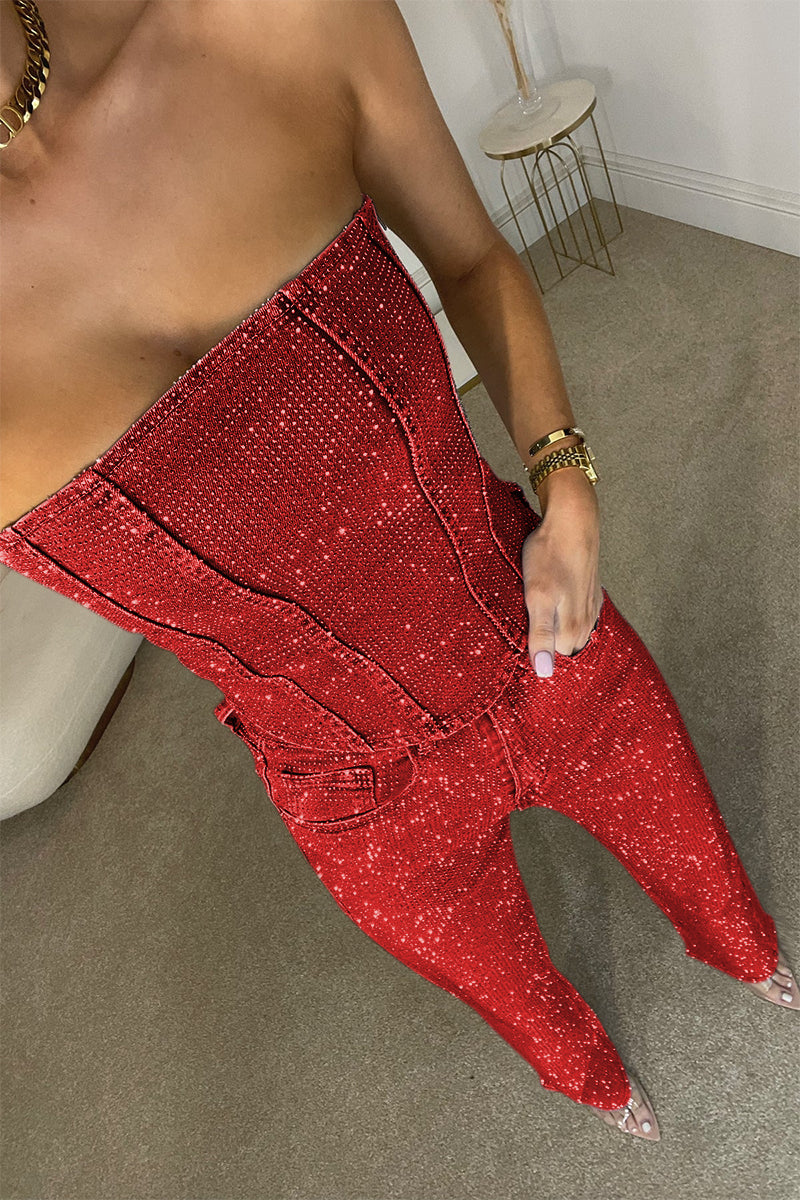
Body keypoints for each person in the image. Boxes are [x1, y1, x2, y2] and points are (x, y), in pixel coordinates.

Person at [0, 0, 795, 1147]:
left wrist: (565, 484)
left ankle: (746, 956)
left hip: (536, 627)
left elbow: (470, 255)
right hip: (352, 800)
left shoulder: (271, 20)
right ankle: (592, 1083)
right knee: (524, 1010)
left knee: (705, 868)